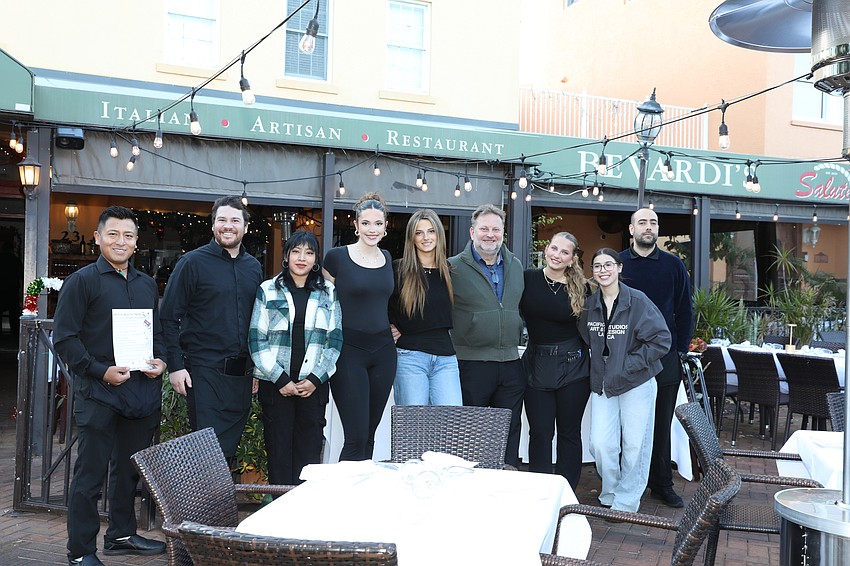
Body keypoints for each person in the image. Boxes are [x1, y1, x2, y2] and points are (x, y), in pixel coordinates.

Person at [53, 206, 167, 566]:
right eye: (113, 234)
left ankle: (120, 534)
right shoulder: (82, 281)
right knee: (89, 476)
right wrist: (100, 371)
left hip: (138, 394)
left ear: (136, 243)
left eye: (128, 236)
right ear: (99, 238)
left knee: (127, 471)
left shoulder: (146, 283)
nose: (121, 241)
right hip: (99, 392)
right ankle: (80, 551)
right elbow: (65, 339)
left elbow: (157, 335)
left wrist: (160, 361)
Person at [160, 196, 263, 460]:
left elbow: (257, 322)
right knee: (207, 453)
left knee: (227, 453)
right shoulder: (191, 263)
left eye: (235, 221)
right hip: (203, 373)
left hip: (241, 376)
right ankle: (206, 502)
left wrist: (257, 369)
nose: (228, 226)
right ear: (213, 225)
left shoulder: (254, 268)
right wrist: (175, 366)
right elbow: (169, 317)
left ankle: (219, 502)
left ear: (245, 227)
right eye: (222, 220)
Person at [579, 248, 671, 512]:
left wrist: (627, 364)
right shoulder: (590, 305)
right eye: (597, 266)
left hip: (636, 382)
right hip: (603, 382)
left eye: (608, 265)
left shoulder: (637, 301)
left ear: (619, 268)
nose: (603, 270)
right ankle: (611, 488)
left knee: (634, 445)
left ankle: (627, 499)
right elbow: (587, 336)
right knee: (600, 443)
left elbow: (661, 340)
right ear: (593, 272)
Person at [249, 230, 342, 485]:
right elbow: (257, 340)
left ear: (316, 260)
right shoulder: (268, 290)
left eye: (309, 253)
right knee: (278, 452)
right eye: (296, 251)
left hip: (313, 387)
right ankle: (279, 515)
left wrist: (315, 378)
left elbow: (334, 342)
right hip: (276, 385)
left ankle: (302, 515)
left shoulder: (328, 292)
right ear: (287, 255)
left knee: (309, 456)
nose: (302, 258)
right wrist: (280, 380)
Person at [619, 207, 693, 508]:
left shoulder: (674, 265)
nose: (648, 227)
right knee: (629, 425)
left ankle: (661, 483)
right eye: (642, 222)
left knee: (661, 424)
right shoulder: (618, 263)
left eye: (653, 222)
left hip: (664, 357)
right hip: (625, 357)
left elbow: (684, 309)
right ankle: (625, 483)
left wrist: (681, 348)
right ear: (631, 228)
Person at [449, 203, 525, 468]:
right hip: (471, 364)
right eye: (484, 229)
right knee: (471, 432)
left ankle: (506, 482)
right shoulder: (453, 268)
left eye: (496, 229)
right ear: (472, 232)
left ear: (503, 232)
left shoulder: (516, 265)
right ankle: (471, 486)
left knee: (510, 430)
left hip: (510, 363)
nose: (489, 234)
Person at [322, 192, 396, 461]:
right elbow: (322, 303)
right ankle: (343, 498)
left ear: (386, 226)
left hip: (384, 353)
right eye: (366, 223)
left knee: (369, 435)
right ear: (355, 225)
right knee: (354, 437)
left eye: (378, 223)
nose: (372, 229)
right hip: (348, 352)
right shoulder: (336, 257)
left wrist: (398, 326)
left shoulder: (388, 258)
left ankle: (364, 497)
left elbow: (392, 301)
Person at [520, 232, 590, 490]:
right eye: (554, 248)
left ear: (572, 259)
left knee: (569, 433)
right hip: (536, 365)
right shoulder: (527, 279)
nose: (557, 255)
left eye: (564, 252)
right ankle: (541, 490)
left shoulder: (582, 288)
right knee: (539, 432)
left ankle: (566, 492)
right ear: (546, 249)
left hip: (573, 368)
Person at [389, 209, 461, 406]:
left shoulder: (450, 271)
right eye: (419, 232)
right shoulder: (399, 270)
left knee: (451, 427)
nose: (426, 237)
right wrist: (388, 326)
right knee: (414, 430)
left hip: (446, 359)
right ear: (412, 237)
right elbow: (380, 303)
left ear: (439, 234)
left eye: (431, 231)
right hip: (410, 358)